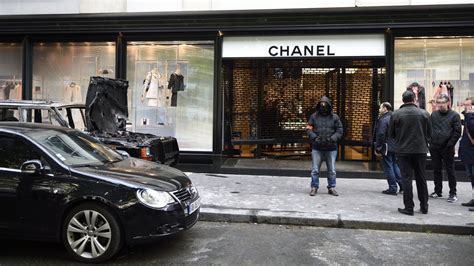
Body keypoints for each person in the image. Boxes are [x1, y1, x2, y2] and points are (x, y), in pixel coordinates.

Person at [389, 90, 431, 216]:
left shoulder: (396, 114)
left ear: (403, 100)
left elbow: (391, 134)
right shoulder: (424, 113)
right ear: (414, 99)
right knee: (421, 178)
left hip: (403, 151)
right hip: (420, 150)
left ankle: (409, 207)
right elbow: (429, 134)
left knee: (406, 178)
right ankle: (424, 206)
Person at [306, 96, 343, 196]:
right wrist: (314, 137)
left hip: (331, 148)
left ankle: (331, 187)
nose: (323, 107)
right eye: (321, 105)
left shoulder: (335, 117)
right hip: (317, 147)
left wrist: (332, 139)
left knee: (332, 170)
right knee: (315, 170)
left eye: (325, 105)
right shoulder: (313, 116)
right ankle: (314, 186)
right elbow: (309, 128)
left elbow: (340, 130)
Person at [428, 94, 461, 202]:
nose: (441, 105)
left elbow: (457, 132)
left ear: (448, 103)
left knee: (450, 170)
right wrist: (430, 142)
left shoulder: (454, 115)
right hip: (434, 147)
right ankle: (438, 191)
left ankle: (453, 193)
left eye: (443, 102)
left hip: (447, 148)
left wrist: (450, 145)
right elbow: (429, 129)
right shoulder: (434, 115)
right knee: (436, 170)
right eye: (439, 102)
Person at [374, 102, 402, 195]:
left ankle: (392, 188)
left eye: (380, 107)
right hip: (395, 145)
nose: (379, 109)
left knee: (388, 167)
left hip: (386, 146)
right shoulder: (395, 117)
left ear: (385, 108)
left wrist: (378, 147)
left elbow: (381, 134)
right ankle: (403, 185)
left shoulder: (384, 119)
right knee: (394, 165)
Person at [459, 97, 474, 212]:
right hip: (468, 152)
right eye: (465, 105)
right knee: (471, 176)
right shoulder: (468, 116)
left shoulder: (470, 116)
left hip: (472, 152)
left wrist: (469, 114)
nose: (465, 107)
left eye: (468, 105)